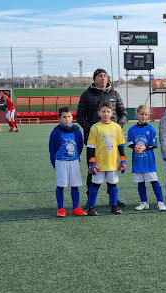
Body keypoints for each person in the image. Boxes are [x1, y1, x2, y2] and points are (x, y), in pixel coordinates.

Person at [76, 68, 127, 207]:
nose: (103, 78)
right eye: (100, 76)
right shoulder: (86, 95)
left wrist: (117, 127)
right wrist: (92, 130)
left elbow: (123, 114)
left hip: (111, 139)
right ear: (94, 79)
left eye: (105, 76)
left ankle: (114, 199)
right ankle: (90, 200)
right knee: (92, 168)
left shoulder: (114, 94)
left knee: (111, 169)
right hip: (94, 140)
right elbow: (80, 116)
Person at [86, 101, 127, 216]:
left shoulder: (116, 127)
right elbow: (91, 146)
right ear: (99, 112)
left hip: (112, 163)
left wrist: (123, 159)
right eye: (103, 111)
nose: (106, 114)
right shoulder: (95, 128)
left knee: (113, 184)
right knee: (95, 185)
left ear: (112, 113)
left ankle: (114, 206)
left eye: (108, 111)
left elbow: (121, 144)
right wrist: (92, 161)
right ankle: (91, 208)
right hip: (99, 164)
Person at [127, 105, 166, 211]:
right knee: (140, 182)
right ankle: (144, 202)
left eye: (146, 114)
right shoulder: (132, 130)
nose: (144, 116)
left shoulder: (151, 129)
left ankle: (160, 202)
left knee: (154, 181)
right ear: (137, 114)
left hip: (148, 162)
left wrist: (144, 148)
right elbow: (129, 142)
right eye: (141, 114)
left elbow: (154, 144)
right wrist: (134, 146)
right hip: (137, 161)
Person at [49, 107, 87, 217]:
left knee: (75, 185)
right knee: (60, 185)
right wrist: (55, 163)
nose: (67, 119)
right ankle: (60, 209)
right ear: (59, 118)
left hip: (73, 161)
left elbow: (79, 145)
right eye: (64, 117)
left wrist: (75, 156)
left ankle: (75, 208)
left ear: (72, 117)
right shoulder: (56, 132)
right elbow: (52, 149)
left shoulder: (76, 129)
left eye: (69, 116)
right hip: (61, 161)